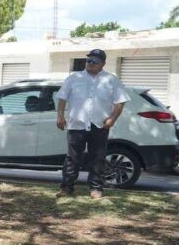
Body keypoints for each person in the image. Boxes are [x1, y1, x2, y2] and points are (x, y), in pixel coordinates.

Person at [55, 48, 129, 200]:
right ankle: (67, 188)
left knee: (98, 158)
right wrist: (60, 116)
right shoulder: (74, 78)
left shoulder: (111, 80)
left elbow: (120, 101)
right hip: (77, 125)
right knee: (72, 157)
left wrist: (112, 119)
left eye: (94, 61)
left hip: (99, 125)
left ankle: (96, 189)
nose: (90, 63)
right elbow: (62, 98)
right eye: (88, 60)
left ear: (103, 63)